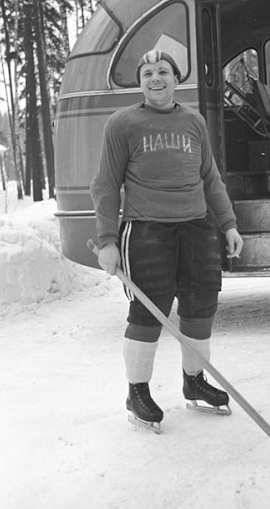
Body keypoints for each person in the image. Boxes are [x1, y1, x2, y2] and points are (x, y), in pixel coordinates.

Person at [90, 49, 243, 433]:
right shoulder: (122, 124)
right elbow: (106, 185)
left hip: (196, 228)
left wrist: (228, 225)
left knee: (199, 307)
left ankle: (194, 380)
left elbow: (210, 178)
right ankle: (136, 392)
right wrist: (107, 241)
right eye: (147, 73)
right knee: (148, 312)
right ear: (140, 82)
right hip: (146, 232)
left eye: (163, 71)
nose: (155, 78)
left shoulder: (194, 121)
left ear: (176, 79)